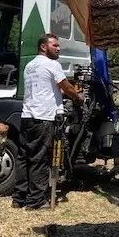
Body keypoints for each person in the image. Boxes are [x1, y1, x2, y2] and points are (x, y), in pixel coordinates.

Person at [12, 33, 84, 210]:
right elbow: (66, 87)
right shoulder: (52, 64)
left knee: (24, 156)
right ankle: (36, 200)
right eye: (55, 46)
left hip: (27, 116)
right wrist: (79, 97)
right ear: (43, 47)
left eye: (58, 46)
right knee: (39, 159)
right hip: (44, 116)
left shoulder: (29, 65)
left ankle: (19, 197)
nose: (58, 48)